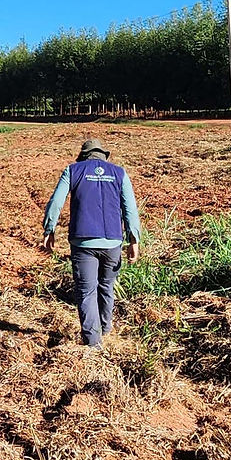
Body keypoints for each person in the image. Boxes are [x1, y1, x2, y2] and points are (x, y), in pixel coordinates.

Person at [42, 138, 141, 353]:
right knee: (106, 286)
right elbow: (130, 208)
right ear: (103, 155)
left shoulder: (73, 171)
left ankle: (93, 344)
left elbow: (56, 202)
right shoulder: (119, 173)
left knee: (86, 291)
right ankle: (105, 330)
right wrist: (134, 239)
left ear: (84, 156)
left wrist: (49, 230)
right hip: (113, 241)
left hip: (83, 241)